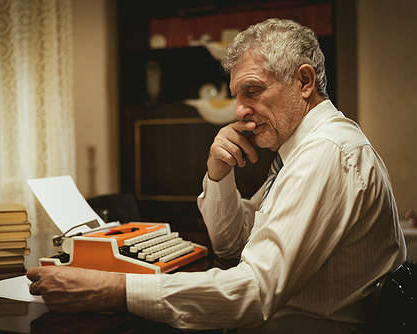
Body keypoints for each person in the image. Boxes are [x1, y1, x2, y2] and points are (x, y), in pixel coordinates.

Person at [27, 18, 406, 333]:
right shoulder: (303, 149)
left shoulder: (327, 153)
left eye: (252, 91)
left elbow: (254, 292)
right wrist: (219, 176)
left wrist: (111, 289)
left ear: (304, 82)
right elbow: (233, 247)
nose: (239, 111)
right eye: (236, 96)